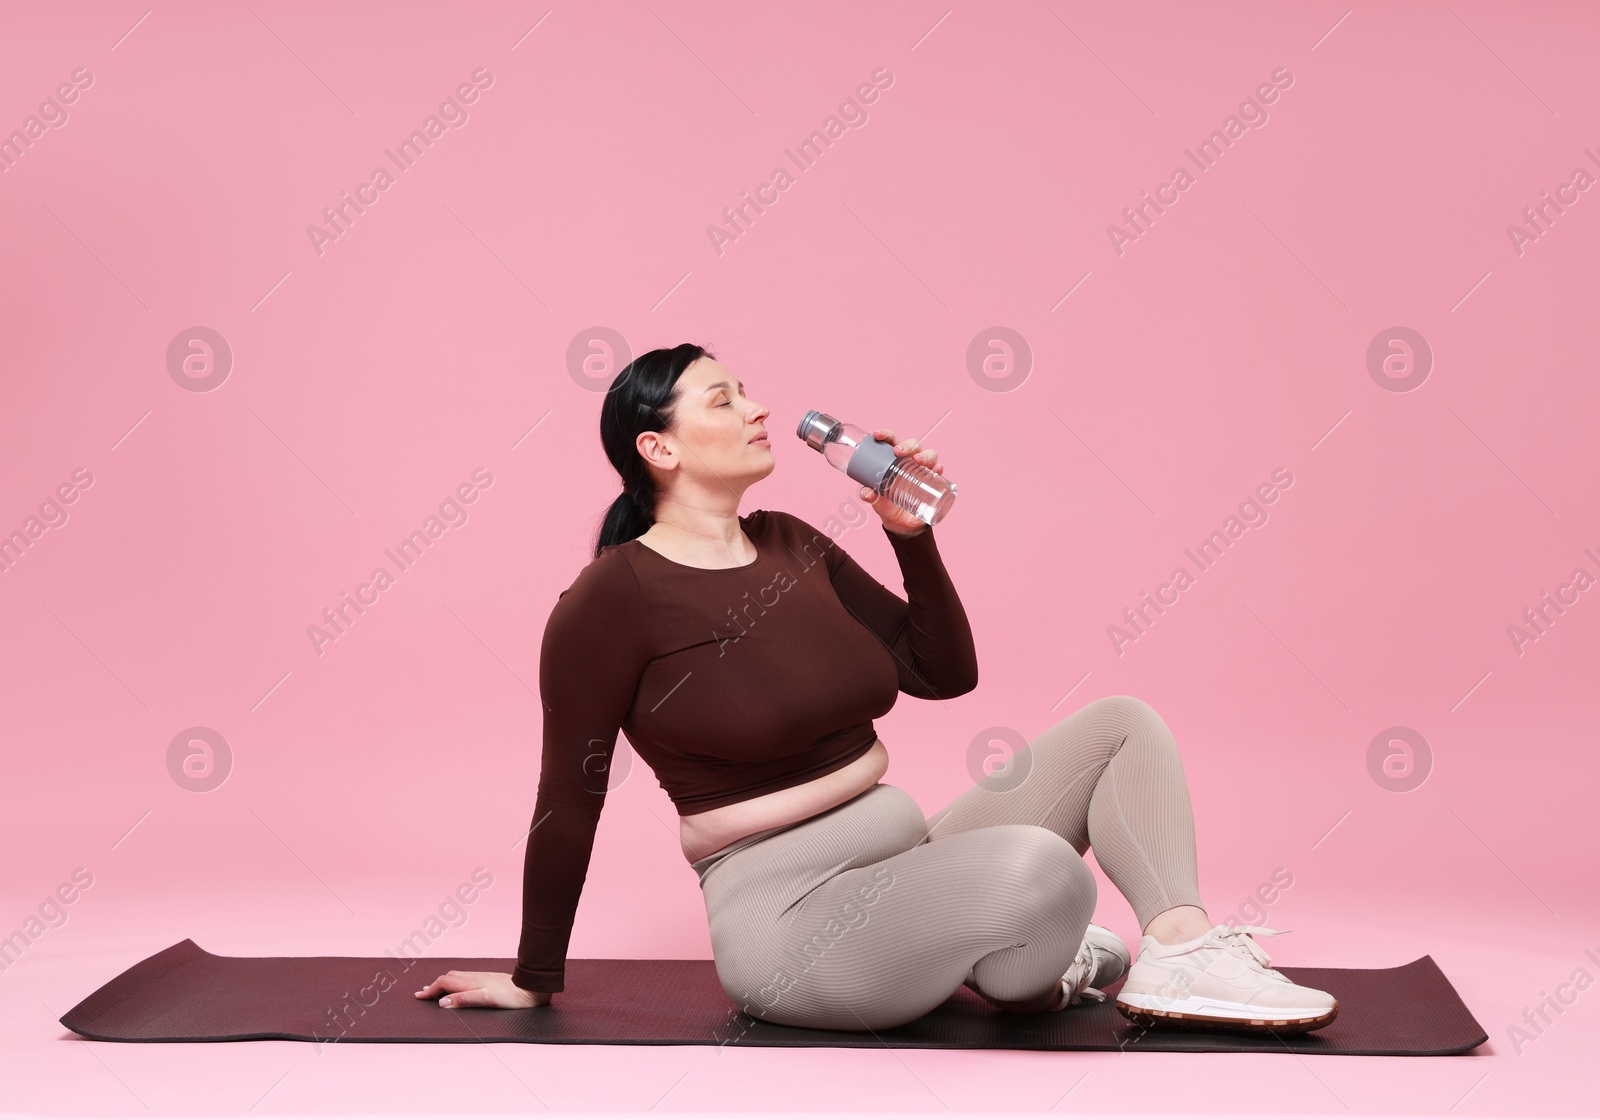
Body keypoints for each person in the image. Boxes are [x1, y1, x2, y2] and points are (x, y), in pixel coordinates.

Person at [414, 342, 1338, 1034]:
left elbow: (943, 674)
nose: (759, 407)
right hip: (790, 924)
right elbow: (566, 798)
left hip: (902, 860)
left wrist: (910, 536)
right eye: (726, 397)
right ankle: (1028, 950)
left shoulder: (791, 542)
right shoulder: (611, 599)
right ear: (658, 446)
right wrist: (535, 975)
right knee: (1040, 870)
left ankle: (1176, 951)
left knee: (1121, 727)